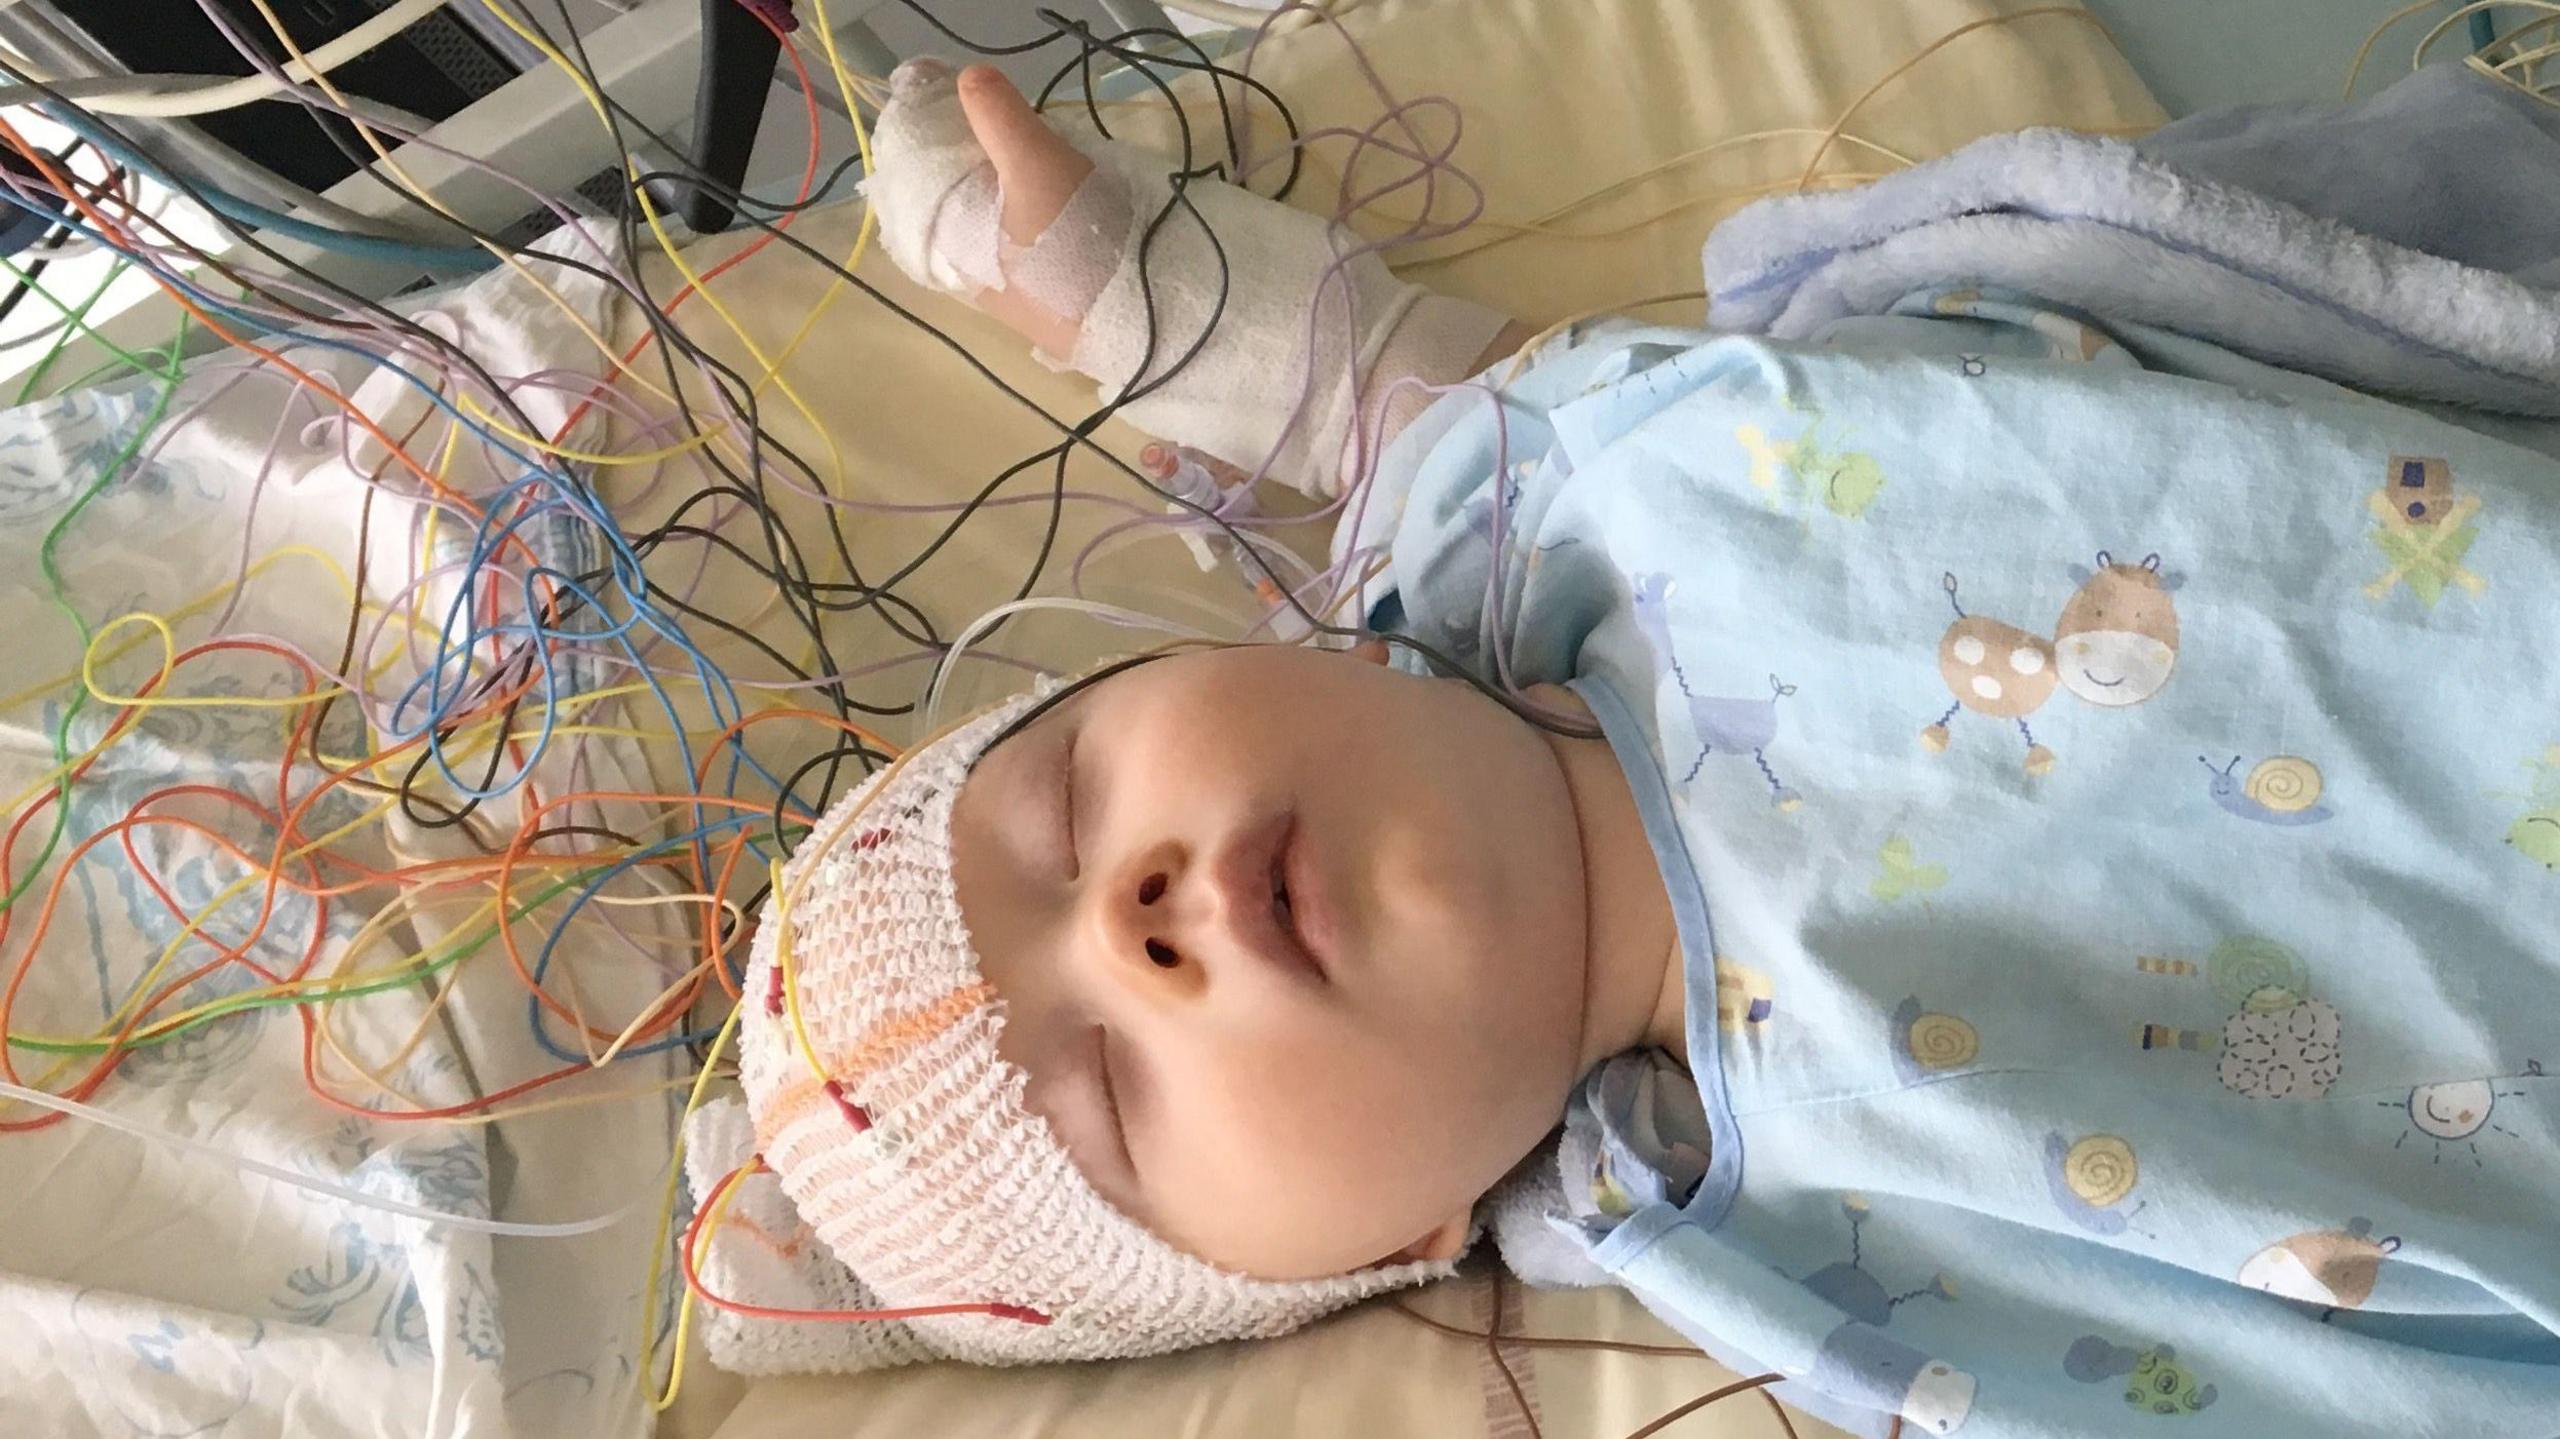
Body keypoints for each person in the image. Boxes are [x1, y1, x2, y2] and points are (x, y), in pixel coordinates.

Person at [713, 60, 2560, 1436]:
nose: (1135, 921)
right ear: (1382, 1252)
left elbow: (1386, 395)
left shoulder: (1555, 506)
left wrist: (1135, 293)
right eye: (1109, 1093)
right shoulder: (1794, 1229)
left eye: (1069, 807)